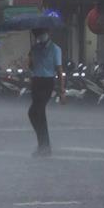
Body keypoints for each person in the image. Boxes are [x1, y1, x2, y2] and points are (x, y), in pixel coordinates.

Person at [28, 28, 66, 157]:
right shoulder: (35, 48)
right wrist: (30, 57)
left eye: (40, 34)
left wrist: (62, 91)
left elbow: (59, 70)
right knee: (33, 113)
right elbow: (31, 66)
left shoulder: (56, 49)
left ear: (47, 34)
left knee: (38, 111)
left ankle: (44, 145)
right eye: (37, 35)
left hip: (47, 82)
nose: (39, 36)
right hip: (36, 81)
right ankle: (43, 144)